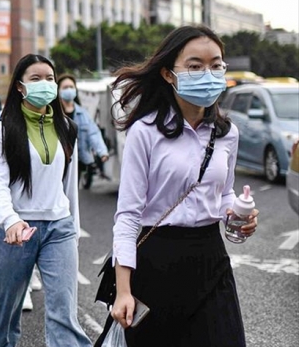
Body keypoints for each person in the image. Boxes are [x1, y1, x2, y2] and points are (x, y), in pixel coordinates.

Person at [108, 25, 258, 347]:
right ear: (168, 74)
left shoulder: (227, 133)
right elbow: (128, 216)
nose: (208, 74)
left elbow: (224, 193)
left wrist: (236, 216)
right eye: (195, 66)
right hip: (157, 260)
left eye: (216, 65)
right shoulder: (145, 131)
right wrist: (123, 291)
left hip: (211, 258)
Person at [0, 54, 90, 347]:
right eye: (36, 78)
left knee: (64, 312)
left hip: (59, 228)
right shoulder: (4, 129)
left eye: (49, 78)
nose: (45, 84)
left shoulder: (67, 127)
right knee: (3, 313)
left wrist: (74, 231)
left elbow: (69, 186)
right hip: (15, 229)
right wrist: (10, 221)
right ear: (20, 86)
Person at [57, 75, 109, 188]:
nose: (69, 90)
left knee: (72, 190)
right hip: (58, 159)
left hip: (78, 159)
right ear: (58, 90)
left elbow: (93, 133)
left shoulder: (83, 113)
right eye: (65, 87)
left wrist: (102, 152)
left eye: (71, 87)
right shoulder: (54, 114)